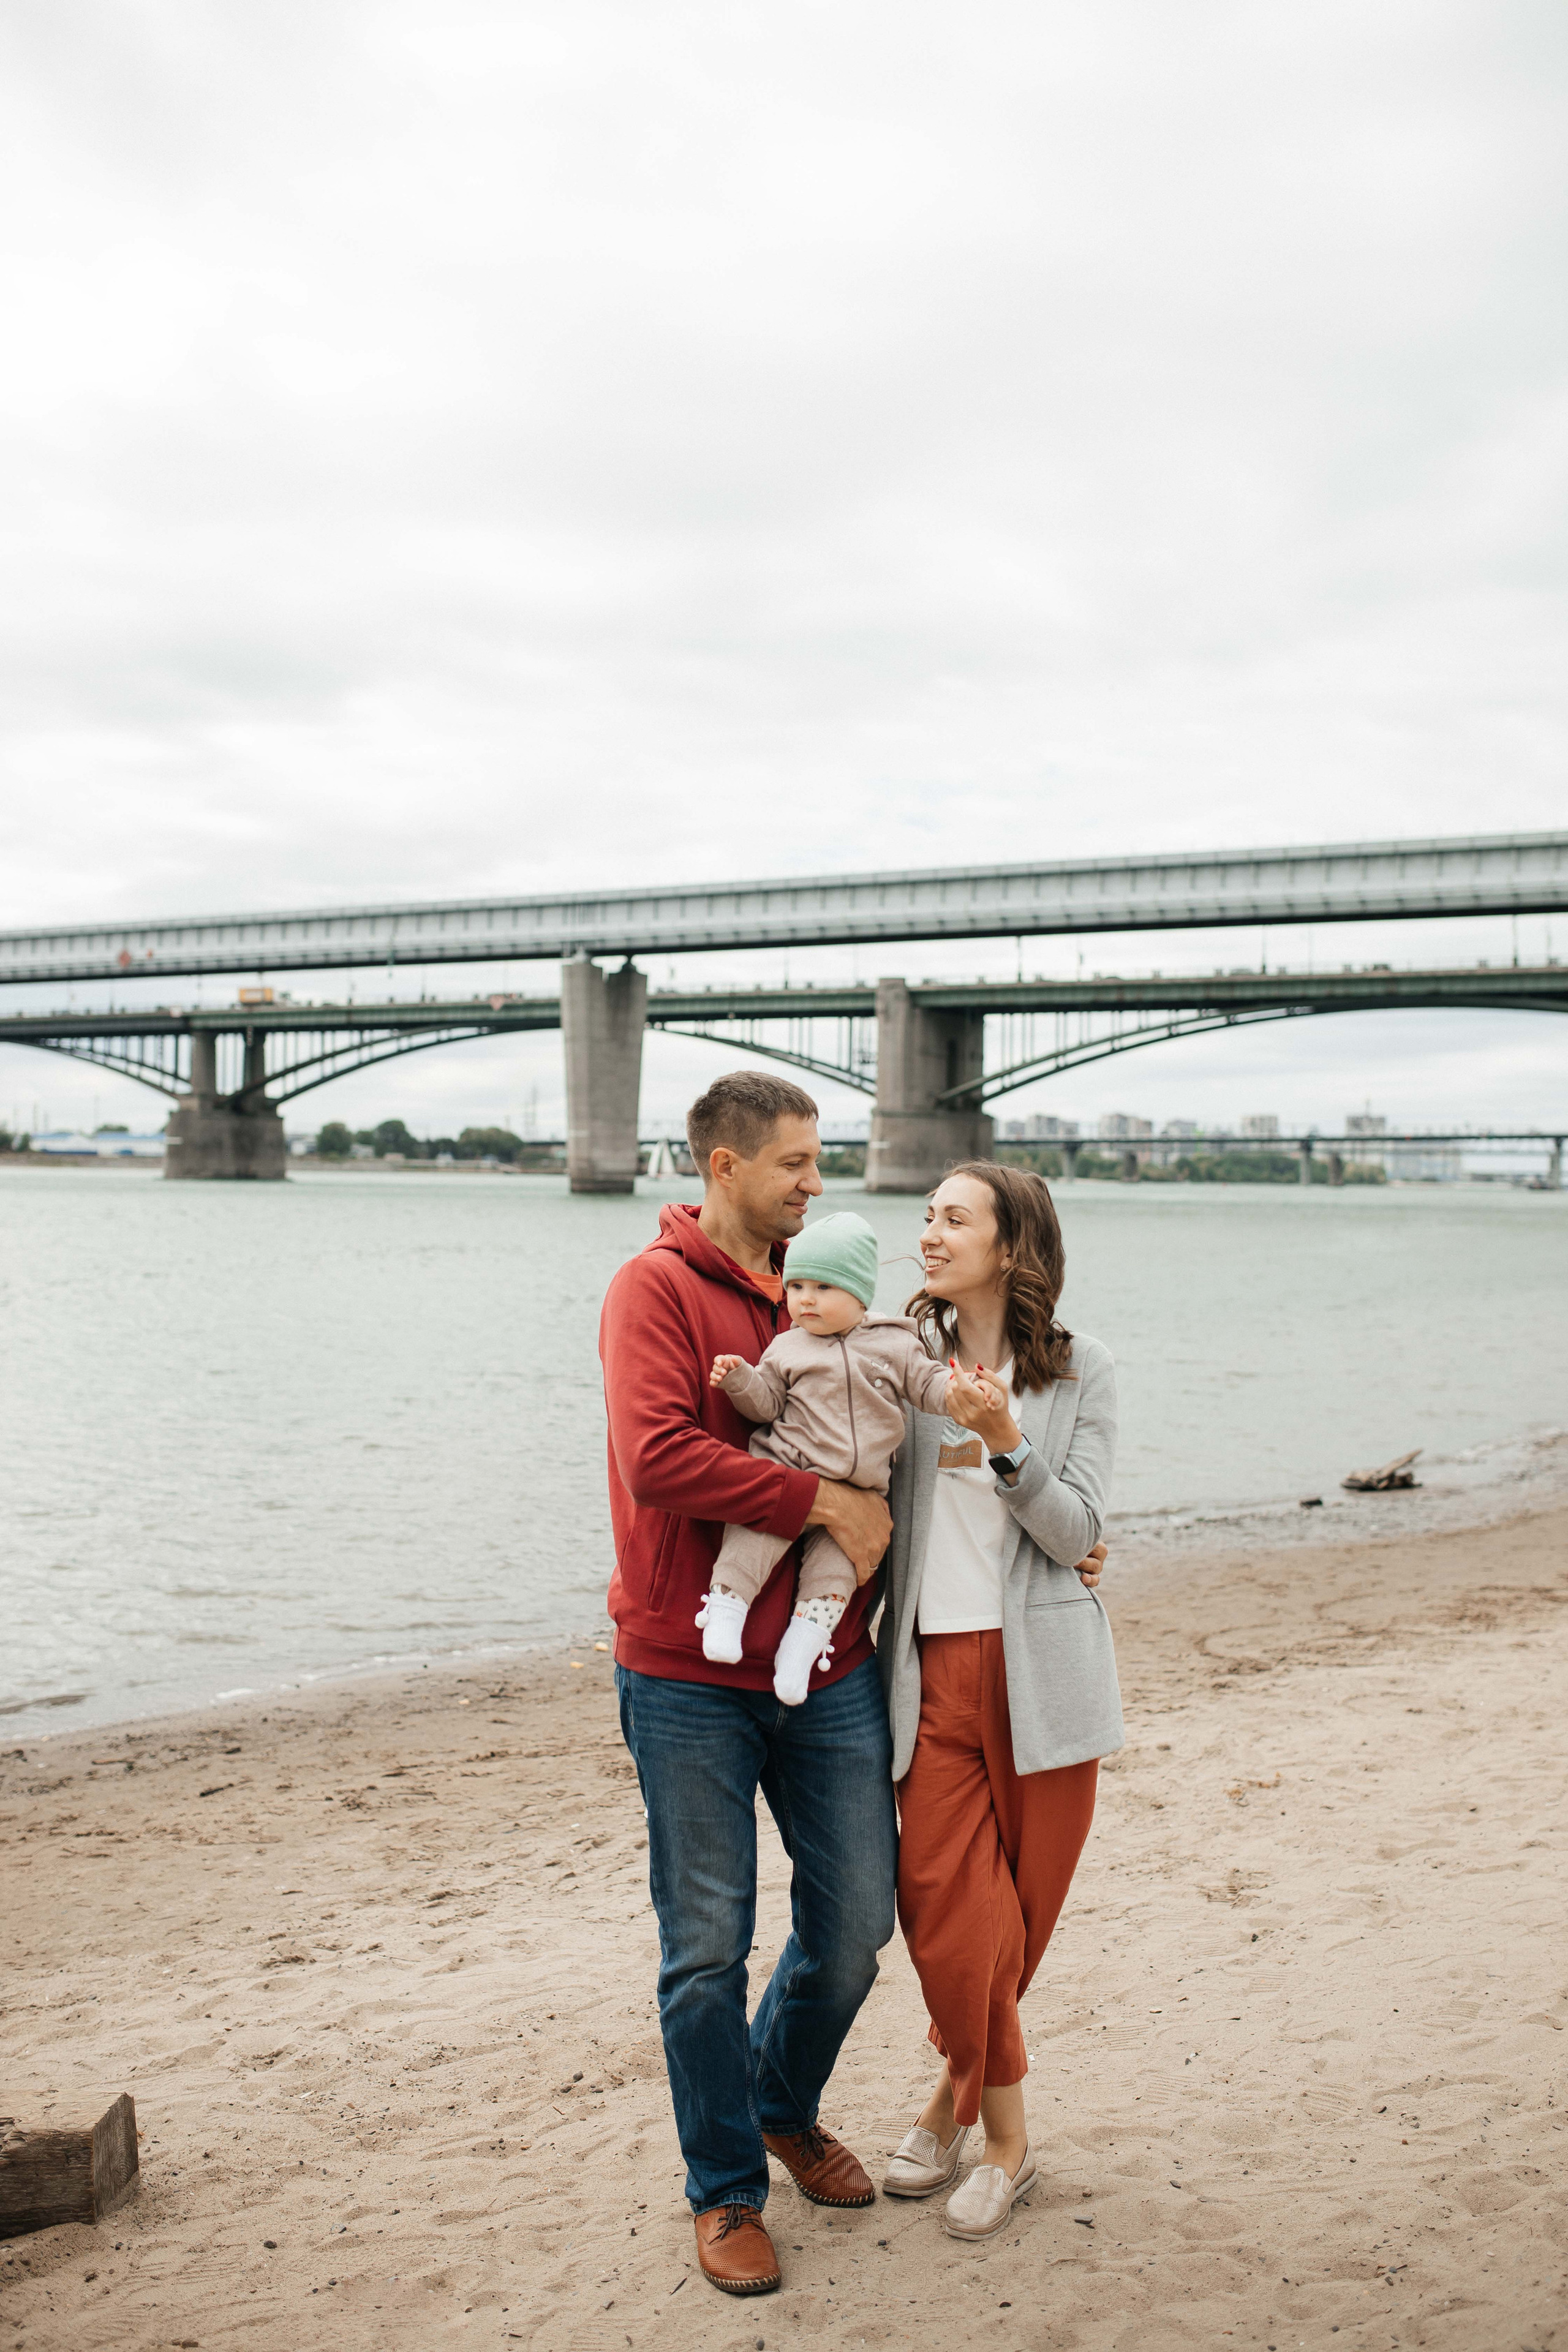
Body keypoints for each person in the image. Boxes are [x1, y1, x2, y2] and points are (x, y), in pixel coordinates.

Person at [600, 1072, 897, 2298]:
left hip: (828, 1662)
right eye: (794, 1164)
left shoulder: (830, 1292)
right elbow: (659, 1458)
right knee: (706, 1950)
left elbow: (905, 1430)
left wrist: (1061, 1535)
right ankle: (724, 2188)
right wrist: (821, 1501)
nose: (815, 1184)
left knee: (856, 1924)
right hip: (687, 1671)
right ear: (724, 1167)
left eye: (819, 1162)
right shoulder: (653, 1289)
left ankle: (779, 2101)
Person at [876, 1160, 1122, 2241]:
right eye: (926, 1215)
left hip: (1047, 1682)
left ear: (1013, 1244)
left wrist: (1010, 1444)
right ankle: (1010, 2148)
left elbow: (1079, 1533)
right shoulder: (899, 1361)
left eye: (955, 1218)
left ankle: (951, 2101)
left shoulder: (1082, 1371)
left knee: (1010, 1929)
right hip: (929, 1675)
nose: (930, 1233)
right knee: (946, 1917)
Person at [701, 1209, 956, 1703]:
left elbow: (927, 1385)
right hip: (789, 1471)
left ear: (859, 1294)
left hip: (861, 1491)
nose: (806, 1299)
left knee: (834, 1576)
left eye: (823, 1287)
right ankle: (726, 1612)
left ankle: (801, 1650)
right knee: (752, 1544)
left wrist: (957, 1390)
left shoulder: (894, 1344)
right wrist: (740, 1380)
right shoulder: (786, 1348)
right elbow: (766, 1405)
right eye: (796, 1287)